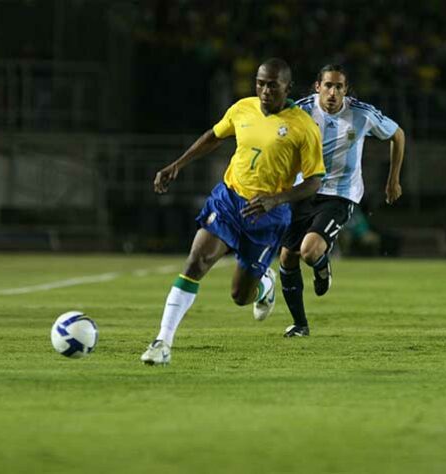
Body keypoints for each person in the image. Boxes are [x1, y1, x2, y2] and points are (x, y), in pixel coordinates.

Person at [140, 58, 325, 365]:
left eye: (272, 85)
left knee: (240, 296)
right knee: (196, 262)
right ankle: (162, 342)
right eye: (260, 83)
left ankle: (264, 283)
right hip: (228, 200)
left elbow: (315, 182)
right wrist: (178, 165)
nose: (265, 90)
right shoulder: (243, 108)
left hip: (267, 216)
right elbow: (214, 136)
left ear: (287, 87)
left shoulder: (303, 127)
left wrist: (275, 200)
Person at [278, 64, 405, 337]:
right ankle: (300, 324)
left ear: (346, 91)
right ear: (317, 87)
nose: (332, 92)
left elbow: (397, 134)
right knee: (288, 257)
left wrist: (393, 179)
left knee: (310, 251)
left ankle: (322, 266)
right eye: (328, 85)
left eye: (339, 87)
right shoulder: (299, 111)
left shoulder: (361, 113)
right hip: (304, 190)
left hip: (340, 193)